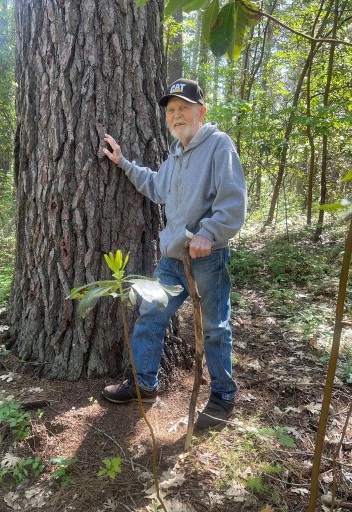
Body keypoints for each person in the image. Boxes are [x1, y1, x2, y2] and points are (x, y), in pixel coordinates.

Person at [101, 78, 247, 430]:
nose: (177, 115)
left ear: (201, 111)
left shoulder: (219, 146)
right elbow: (156, 185)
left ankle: (223, 396)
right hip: (172, 258)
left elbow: (233, 202)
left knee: (215, 329)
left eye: (184, 108)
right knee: (150, 315)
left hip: (207, 259)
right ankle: (143, 384)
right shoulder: (176, 153)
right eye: (171, 110)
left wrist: (208, 234)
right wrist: (123, 163)